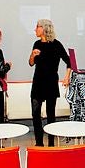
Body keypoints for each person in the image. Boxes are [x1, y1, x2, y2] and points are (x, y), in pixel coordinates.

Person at [28, 19, 71, 147]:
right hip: (38, 82)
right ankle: (39, 143)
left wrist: (67, 77)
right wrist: (32, 54)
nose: (35, 29)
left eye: (37, 27)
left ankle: (51, 144)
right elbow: (31, 63)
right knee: (35, 114)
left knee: (50, 114)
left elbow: (69, 62)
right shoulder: (36, 43)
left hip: (51, 82)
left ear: (44, 28)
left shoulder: (56, 44)